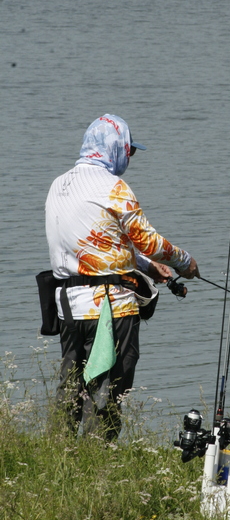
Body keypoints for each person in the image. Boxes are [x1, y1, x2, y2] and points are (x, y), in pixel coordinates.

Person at [45, 114, 199, 439]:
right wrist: (184, 262)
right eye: (128, 151)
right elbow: (149, 241)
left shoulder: (59, 185)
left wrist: (146, 266)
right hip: (111, 309)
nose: (129, 158)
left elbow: (95, 243)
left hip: (68, 309)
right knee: (109, 390)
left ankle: (59, 451)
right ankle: (97, 456)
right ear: (114, 149)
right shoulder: (114, 188)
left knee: (70, 387)